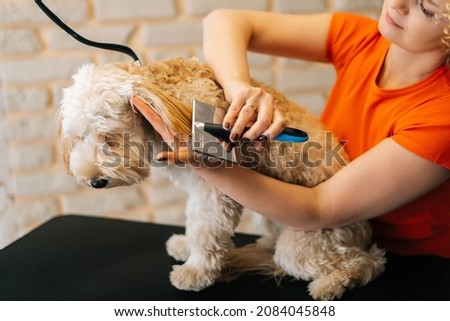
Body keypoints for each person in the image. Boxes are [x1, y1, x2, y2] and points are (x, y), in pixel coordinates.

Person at [132, 0, 450, 258]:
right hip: (329, 237)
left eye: (427, 8)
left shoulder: (441, 118)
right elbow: (224, 20)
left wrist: (208, 164)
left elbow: (318, 208)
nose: (397, 4)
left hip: (406, 263)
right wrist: (238, 87)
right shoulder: (363, 39)